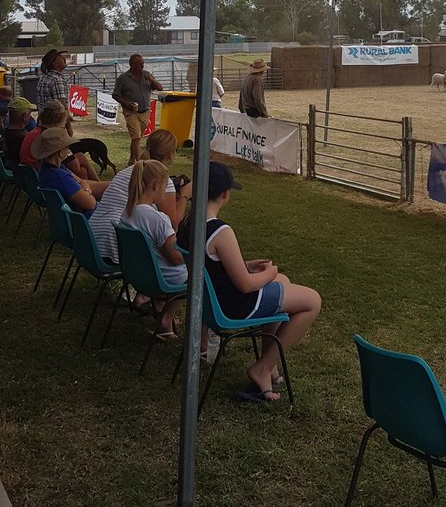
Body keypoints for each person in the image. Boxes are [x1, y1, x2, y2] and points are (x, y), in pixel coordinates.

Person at [195, 162, 321, 403]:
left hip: (212, 301)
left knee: (285, 282)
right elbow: (245, 285)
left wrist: (247, 265)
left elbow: (214, 263)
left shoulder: (190, 224)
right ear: (225, 194)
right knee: (312, 301)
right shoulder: (220, 231)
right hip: (234, 305)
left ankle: (269, 363)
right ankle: (262, 368)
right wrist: (269, 273)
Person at [89, 129, 190, 264]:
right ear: (171, 154)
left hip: (92, 241)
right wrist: (184, 195)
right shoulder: (160, 181)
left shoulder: (129, 171)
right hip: (114, 249)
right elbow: (173, 226)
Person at [119, 159, 187, 334]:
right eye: (165, 188)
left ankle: (161, 311)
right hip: (162, 278)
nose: (165, 192)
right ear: (155, 185)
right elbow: (175, 258)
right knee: (202, 270)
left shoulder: (127, 213)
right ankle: (167, 320)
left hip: (137, 275)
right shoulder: (158, 219)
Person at [112, 54, 162, 165]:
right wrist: (127, 103)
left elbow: (160, 88)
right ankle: (140, 164)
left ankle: (131, 161)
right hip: (131, 112)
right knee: (136, 137)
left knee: (137, 138)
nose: (142, 66)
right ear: (131, 65)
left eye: (143, 64)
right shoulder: (123, 78)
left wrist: (151, 79)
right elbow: (115, 95)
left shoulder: (147, 76)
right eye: (139, 64)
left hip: (145, 111)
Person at [32, 126, 96, 213]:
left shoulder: (49, 169)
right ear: (60, 151)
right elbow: (90, 204)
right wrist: (88, 192)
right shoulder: (60, 177)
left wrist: (86, 190)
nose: (69, 150)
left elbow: (82, 181)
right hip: (90, 218)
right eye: (67, 147)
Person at [4, 97, 36, 166]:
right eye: (29, 114)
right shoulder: (24, 137)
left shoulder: (4, 133)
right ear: (24, 117)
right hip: (25, 173)